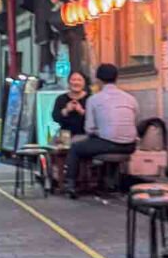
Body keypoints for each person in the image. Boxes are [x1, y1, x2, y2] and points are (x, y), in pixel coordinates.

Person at [65, 63, 138, 197]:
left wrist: (102, 130)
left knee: (76, 148)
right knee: (105, 140)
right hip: (130, 145)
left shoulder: (94, 99)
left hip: (109, 143)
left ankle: (71, 185)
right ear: (117, 78)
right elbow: (134, 120)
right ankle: (108, 182)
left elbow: (89, 129)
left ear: (98, 80)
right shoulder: (131, 98)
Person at [52, 71, 90, 140]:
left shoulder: (91, 99)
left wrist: (81, 111)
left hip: (85, 135)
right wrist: (66, 110)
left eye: (79, 80)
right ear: (68, 82)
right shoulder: (61, 98)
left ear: (84, 83)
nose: (76, 82)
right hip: (65, 135)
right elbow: (55, 117)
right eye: (73, 80)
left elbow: (97, 120)